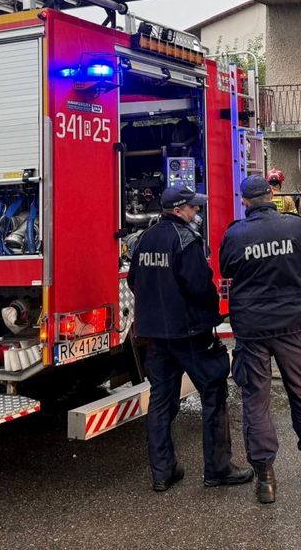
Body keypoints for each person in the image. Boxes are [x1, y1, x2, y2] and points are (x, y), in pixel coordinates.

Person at [126, 184, 252, 492]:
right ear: (179, 209)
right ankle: (218, 469)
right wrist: (214, 314)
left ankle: (162, 472)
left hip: (156, 336)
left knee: (160, 401)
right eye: (193, 207)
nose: (197, 212)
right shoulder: (187, 240)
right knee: (213, 394)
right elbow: (199, 286)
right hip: (191, 334)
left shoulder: (144, 240)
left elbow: (133, 280)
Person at [219, 175, 301, 504]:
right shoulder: (294, 226)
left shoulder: (235, 234)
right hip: (290, 324)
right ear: (271, 194)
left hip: (252, 329)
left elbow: (227, 269)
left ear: (244, 201)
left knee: (256, 401)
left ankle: (265, 479)